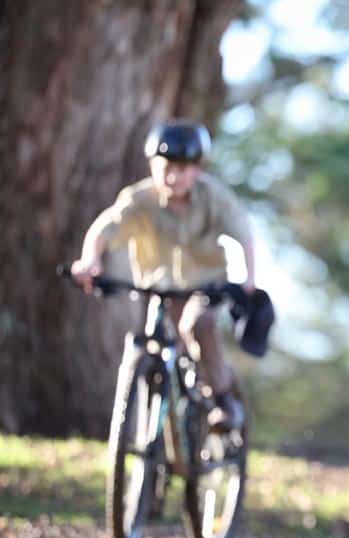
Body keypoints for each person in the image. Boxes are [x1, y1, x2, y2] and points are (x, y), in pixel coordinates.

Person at [70, 120, 255, 433]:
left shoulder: (213, 197)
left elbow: (244, 234)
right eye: (165, 166)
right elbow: (106, 227)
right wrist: (90, 260)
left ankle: (223, 398)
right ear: (152, 164)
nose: (172, 176)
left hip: (204, 287)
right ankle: (160, 439)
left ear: (197, 169)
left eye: (182, 169)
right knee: (157, 348)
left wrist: (249, 279)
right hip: (159, 289)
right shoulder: (139, 200)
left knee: (196, 325)